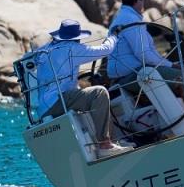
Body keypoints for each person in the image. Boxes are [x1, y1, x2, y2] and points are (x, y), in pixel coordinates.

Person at [107, 0, 184, 127]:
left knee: (178, 74)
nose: (144, 3)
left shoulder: (123, 17)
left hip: (126, 75)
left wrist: (170, 64)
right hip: (133, 76)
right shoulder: (130, 20)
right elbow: (145, 56)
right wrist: (173, 65)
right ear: (137, 0)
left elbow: (148, 54)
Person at [36, 19, 131, 158]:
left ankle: (110, 141)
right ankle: (105, 145)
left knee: (85, 95)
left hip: (43, 108)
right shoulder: (71, 48)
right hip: (58, 101)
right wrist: (113, 35)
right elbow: (106, 50)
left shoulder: (45, 49)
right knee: (99, 93)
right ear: (76, 39)